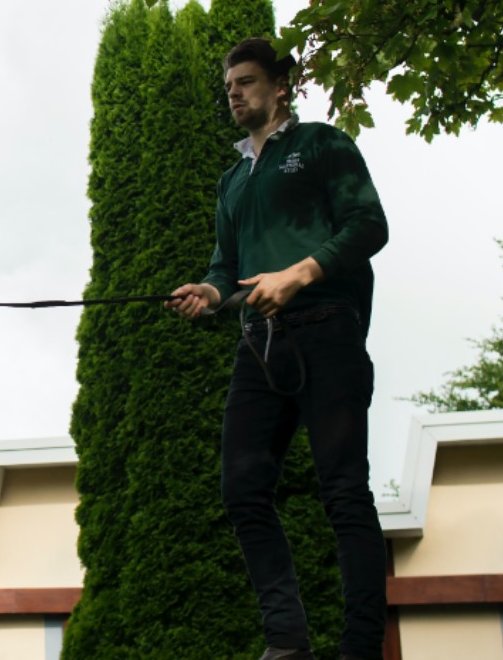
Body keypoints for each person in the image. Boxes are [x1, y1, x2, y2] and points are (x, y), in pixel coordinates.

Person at [169, 38, 389, 660]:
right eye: (229, 85)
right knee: (241, 488)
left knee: (344, 489)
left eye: (245, 81)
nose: (233, 92)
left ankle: (359, 647)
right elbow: (226, 269)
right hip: (259, 345)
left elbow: (370, 226)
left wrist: (298, 274)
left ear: (279, 86)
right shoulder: (232, 181)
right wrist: (209, 295)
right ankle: (288, 641)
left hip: (328, 328)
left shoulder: (322, 145)